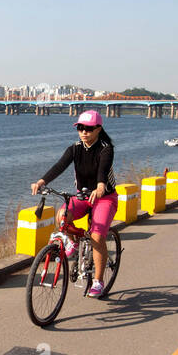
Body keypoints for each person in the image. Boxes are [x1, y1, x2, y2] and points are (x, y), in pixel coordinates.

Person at [30, 108, 116, 297]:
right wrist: (42, 182)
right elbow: (59, 166)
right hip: (83, 196)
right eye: (80, 128)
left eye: (88, 128)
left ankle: (98, 281)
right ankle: (75, 243)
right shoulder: (75, 149)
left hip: (105, 198)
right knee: (62, 216)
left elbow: (103, 170)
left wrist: (101, 187)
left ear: (98, 129)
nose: (84, 132)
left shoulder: (105, 149)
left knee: (97, 238)